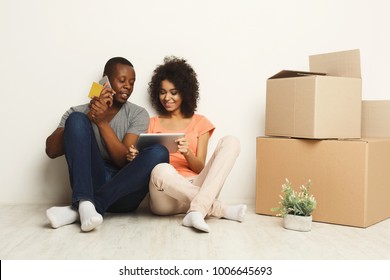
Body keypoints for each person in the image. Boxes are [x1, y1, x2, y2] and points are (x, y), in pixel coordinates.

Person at [45, 57, 169, 232]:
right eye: (122, 80)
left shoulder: (138, 114)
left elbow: (121, 161)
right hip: (91, 182)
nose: (128, 86)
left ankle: (82, 207)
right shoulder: (77, 112)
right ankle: (85, 204)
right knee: (77, 120)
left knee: (159, 152)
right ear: (106, 80)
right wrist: (90, 117)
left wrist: (101, 123)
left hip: (124, 192)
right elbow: (51, 150)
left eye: (132, 82)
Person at [129, 56, 246, 233]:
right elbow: (145, 167)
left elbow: (200, 168)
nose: (166, 97)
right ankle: (220, 209)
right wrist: (135, 157)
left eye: (173, 92)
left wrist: (187, 153)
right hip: (165, 195)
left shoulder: (200, 122)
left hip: (197, 185)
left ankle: (197, 210)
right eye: (162, 92)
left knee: (231, 141)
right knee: (160, 169)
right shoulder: (151, 122)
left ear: (185, 92)